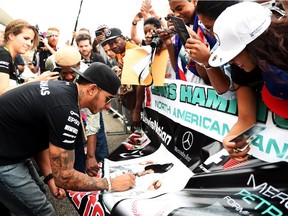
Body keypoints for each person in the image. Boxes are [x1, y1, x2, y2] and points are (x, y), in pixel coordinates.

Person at [0, 62, 136, 215]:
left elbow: (40, 138)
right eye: (108, 98)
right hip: (5, 159)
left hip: (12, 149)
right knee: (42, 212)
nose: (107, 106)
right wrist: (110, 183)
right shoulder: (66, 110)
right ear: (92, 89)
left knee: (36, 199)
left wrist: (50, 176)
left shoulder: (62, 91)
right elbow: (65, 177)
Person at [207, 2, 287, 161]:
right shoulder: (241, 70)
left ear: (255, 45)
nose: (230, 61)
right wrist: (232, 138)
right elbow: (245, 118)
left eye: (234, 53)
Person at [184, 0, 239, 100]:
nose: (208, 32)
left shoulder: (246, 47)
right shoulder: (219, 45)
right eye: (204, 27)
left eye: (210, 28)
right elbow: (206, 78)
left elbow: (230, 93)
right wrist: (204, 60)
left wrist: (208, 61)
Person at [157, 0, 216, 84]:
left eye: (180, 8)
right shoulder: (181, 29)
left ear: (194, 1)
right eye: (173, 11)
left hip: (203, 90)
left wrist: (194, 39)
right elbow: (177, 68)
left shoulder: (205, 25)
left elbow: (207, 77)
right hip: (186, 89)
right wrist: (168, 43)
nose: (176, 15)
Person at [75, 33, 110, 166]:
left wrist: (106, 100)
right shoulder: (76, 60)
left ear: (91, 45)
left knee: (96, 129)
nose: (84, 49)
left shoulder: (98, 58)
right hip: (80, 102)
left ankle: (102, 160)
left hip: (96, 100)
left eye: (86, 45)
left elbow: (107, 80)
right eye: (81, 46)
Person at [103, 27, 140, 129]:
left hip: (141, 97)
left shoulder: (134, 51)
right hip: (131, 95)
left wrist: (136, 110)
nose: (113, 46)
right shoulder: (119, 52)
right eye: (110, 44)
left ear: (123, 38)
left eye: (116, 41)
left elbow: (140, 83)